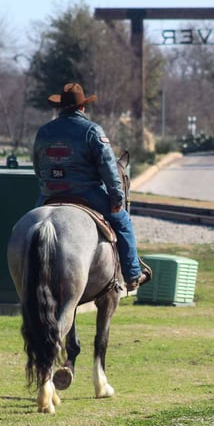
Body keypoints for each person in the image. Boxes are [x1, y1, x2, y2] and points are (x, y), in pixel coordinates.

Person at [33, 82, 150, 291]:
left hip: (49, 194)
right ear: (82, 107)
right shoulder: (92, 131)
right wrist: (116, 196)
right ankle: (132, 275)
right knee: (123, 221)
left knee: (33, 227)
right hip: (85, 193)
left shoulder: (43, 132)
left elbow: (38, 167)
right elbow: (108, 167)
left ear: (60, 107)